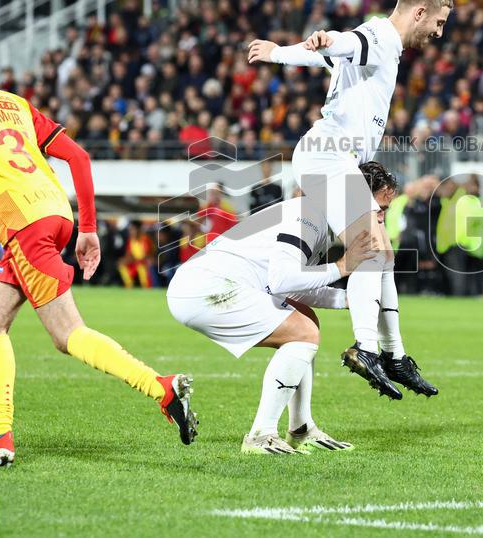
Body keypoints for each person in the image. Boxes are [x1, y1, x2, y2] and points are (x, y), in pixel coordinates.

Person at [0, 34, 197, 467]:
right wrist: (87, 228)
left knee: (68, 335)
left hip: (23, 224)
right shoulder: (14, 102)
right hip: (55, 213)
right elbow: (79, 157)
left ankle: (160, 387)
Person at [247, 0, 450, 399]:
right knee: (369, 248)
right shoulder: (377, 36)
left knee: (383, 252)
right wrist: (309, 44)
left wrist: (282, 53)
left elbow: (328, 57)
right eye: (439, 22)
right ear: (419, 11)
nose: (438, 32)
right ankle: (367, 347)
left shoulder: (382, 45)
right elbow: (343, 43)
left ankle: (393, 354)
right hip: (326, 154)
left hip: (335, 158)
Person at [169, 162, 396, 454]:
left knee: (305, 320)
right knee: (302, 333)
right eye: (378, 208)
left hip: (202, 284)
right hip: (206, 287)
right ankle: (260, 436)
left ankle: (300, 428)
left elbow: (294, 287)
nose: (380, 219)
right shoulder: (309, 217)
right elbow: (281, 280)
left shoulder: (312, 215)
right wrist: (341, 266)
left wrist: (347, 300)